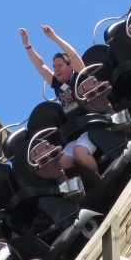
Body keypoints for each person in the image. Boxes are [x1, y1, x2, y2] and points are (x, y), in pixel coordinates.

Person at [19, 25, 98, 172]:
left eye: (60, 65)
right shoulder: (57, 85)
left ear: (70, 67)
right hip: (76, 134)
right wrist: (27, 44)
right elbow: (40, 65)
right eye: (54, 67)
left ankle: (100, 179)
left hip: (92, 126)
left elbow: (73, 54)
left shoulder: (79, 77)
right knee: (60, 164)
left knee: (79, 153)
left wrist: (53, 37)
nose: (56, 69)